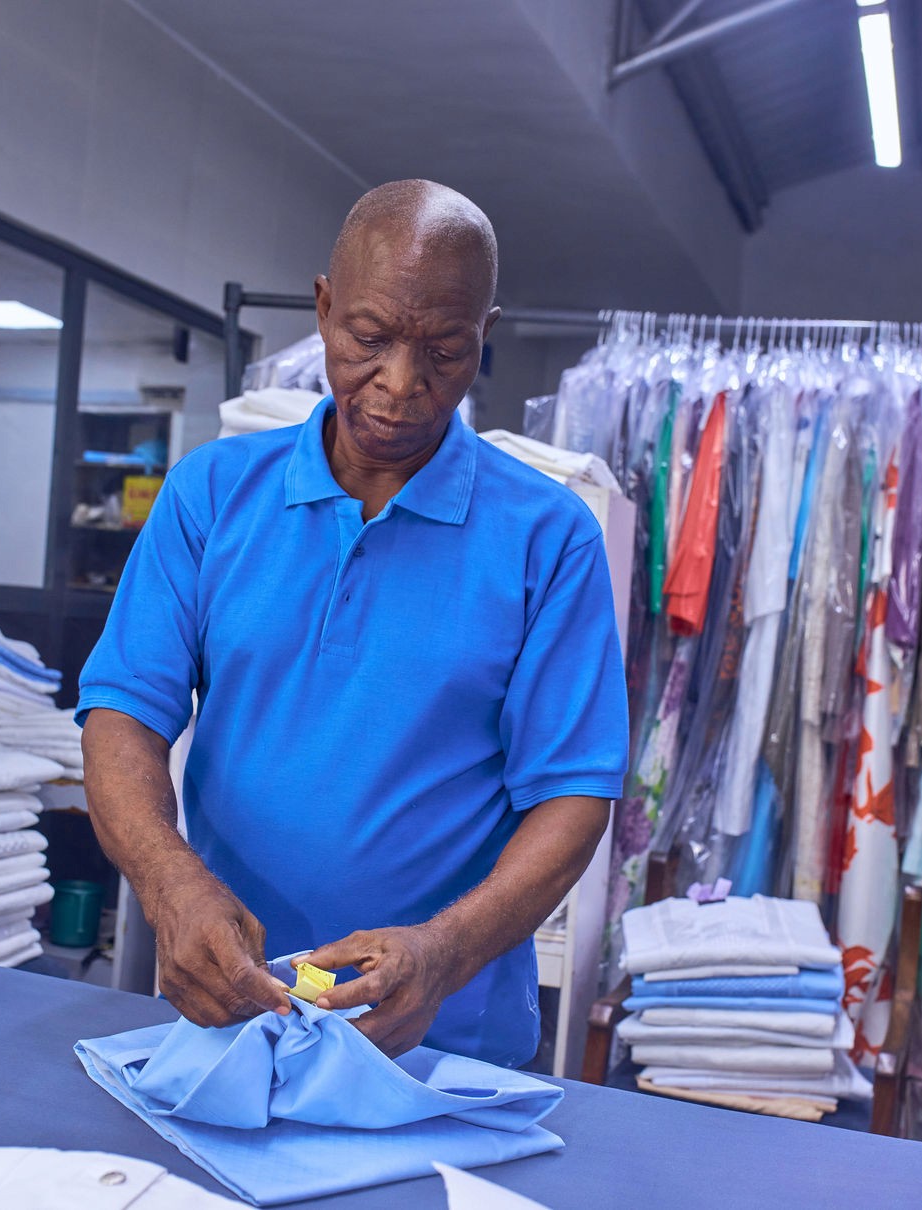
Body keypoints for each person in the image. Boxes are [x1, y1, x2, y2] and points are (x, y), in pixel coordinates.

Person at [77, 179, 628, 1068]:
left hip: (443, 1038)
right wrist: (171, 882)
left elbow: (572, 796)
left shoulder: (549, 537)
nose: (401, 386)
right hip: (232, 1013)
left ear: (484, 338)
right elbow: (122, 715)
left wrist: (443, 953)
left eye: (445, 351)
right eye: (370, 339)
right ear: (324, 309)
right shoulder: (213, 494)